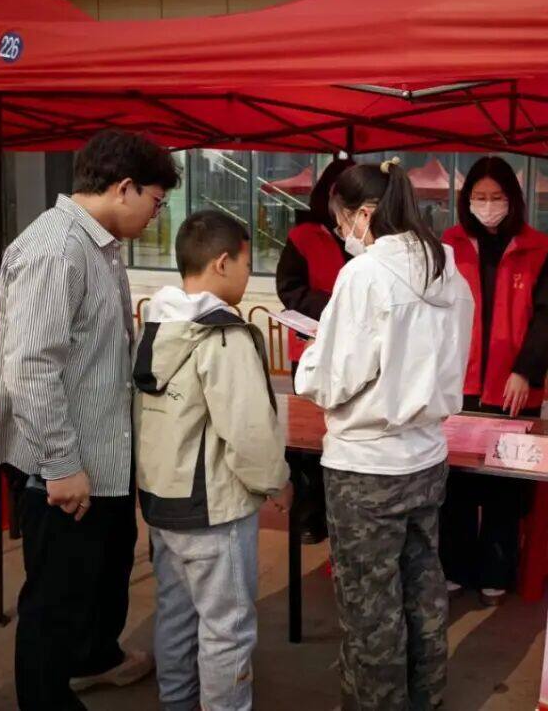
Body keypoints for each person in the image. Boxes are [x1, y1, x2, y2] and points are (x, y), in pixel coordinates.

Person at [0, 129, 181, 710]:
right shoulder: (55, 249)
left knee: (104, 571)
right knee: (56, 600)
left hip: (102, 456)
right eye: (155, 202)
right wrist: (62, 465)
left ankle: (95, 657)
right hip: (63, 469)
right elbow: (31, 367)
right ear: (124, 187)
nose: (156, 214)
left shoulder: (98, 245)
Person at [294, 158, 474, 711]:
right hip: (426, 456)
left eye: (341, 221)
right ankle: (426, 694)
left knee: (369, 603)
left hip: (366, 466)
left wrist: (312, 361)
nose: (342, 232)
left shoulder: (365, 275)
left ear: (365, 213)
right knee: (422, 586)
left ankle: (376, 702)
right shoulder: (447, 269)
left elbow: (333, 379)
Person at [134, 210, 291, 711]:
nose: (249, 274)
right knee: (227, 628)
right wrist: (277, 482)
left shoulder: (158, 323)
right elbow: (248, 429)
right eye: (247, 263)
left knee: (176, 615)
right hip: (212, 509)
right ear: (223, 262)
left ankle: (177, 702)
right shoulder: (223, 335)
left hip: (163, 502)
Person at [439, 156, 548, 606]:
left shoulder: (536, 248)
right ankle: (454, 567)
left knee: (504, 489)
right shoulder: (449, 246)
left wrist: (524, 370)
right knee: (455, 484)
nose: (487, 206)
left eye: (496, 197)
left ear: (513, 200)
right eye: (479, 197)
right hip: (461, 386)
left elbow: (546, 317)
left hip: (513, 390)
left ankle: (496, 571)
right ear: (466, 200)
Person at [275, 156, 350, 544]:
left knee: (344, 431)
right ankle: (308, 516)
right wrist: (336, 307)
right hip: (310, 347)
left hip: (355, 351)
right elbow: (289, 289)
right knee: (307, 439)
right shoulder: (304, 235)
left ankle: (338, 514)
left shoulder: (369, 236)